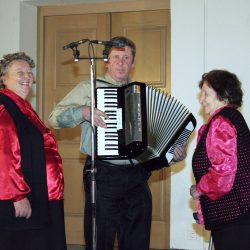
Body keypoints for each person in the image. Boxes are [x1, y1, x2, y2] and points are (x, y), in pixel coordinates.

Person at [48, 36, 187, 250]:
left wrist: (173, 155)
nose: (121, 63)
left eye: (126, 58)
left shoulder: (143, 94)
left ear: (133, 63)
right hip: (103, 175)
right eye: (116, 57)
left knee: (137, 240)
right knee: (100, 239)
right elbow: (54, 118)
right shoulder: (89, 87)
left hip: (138, 176)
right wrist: (83, 112)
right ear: (107, 61)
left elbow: (157, 142)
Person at [0, 52, 67, 250]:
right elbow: (4, 156)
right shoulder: (4, 107)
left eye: (29, 72)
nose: (27, 76)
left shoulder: (22, 107)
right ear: (3, 78)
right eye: (19, 72)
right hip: (20, 199)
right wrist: (17, 196)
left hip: (40, 194)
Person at [190, 69, 250, 250]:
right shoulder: (232, 118)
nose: (201, 99)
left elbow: (223, 174)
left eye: (206, 93)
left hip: (234, 216)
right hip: (238, 214)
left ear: (223, 95)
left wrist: (199, 189)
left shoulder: (221, 122)